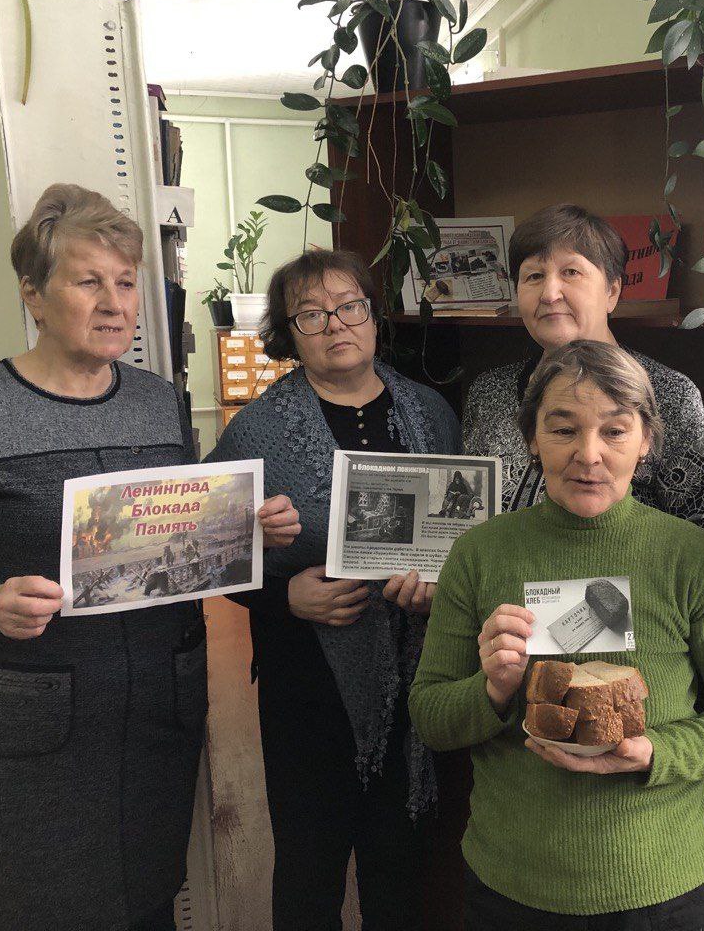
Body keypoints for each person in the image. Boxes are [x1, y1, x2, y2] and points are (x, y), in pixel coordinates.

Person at [0, 184, 299, 931]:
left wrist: (246, 530)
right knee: (37, 909)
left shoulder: (156, 402)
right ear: (33, 293)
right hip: (27, 731)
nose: (115, 304)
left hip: (154, 720)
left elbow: (169, 537)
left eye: (125, 282)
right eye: (89, 282)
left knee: (147, 903)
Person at [411, 340, 704, 930]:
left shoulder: (692, 556)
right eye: (563, 430)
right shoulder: (479, 554)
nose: (589, 455)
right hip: (514, 886)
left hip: (665, 885)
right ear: (532, 438)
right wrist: (492, 689)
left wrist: (654, 752)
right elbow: (430, 717)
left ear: (646, 440)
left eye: (614, 431)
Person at [206, 248, 460, 931]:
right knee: (310, 867)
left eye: (349, 306)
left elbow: (464, 533)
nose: (335, 324)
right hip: (307, 681)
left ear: (373, 317)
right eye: (311, 314)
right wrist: (282, 597)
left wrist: (442, 587)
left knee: (400, 865)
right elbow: (205, 552)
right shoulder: (256, 431)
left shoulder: (431, 413)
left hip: (415, 673)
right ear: (288, 334)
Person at [461, 204, 704, 541]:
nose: (550, 294)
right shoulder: (488, 392)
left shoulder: (669, 394)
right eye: (534, 276)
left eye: (571, 272)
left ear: (612, 291)